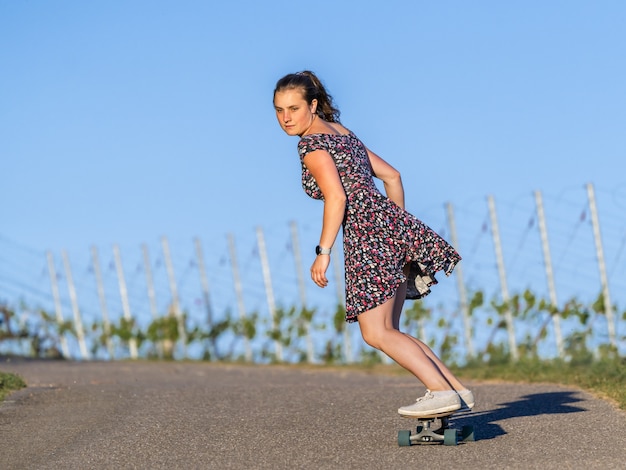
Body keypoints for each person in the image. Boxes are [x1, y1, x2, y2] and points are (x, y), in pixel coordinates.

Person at [272, 71, 474, 417]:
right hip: (389, 224)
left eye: (293, 108)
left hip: (366, 235)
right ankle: (456, 390)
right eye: (279, 110)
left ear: (313, 105)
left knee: (376, 333)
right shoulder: (344, 135)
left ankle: (441, 392)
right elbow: (392, 176)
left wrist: (323, 252)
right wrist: (397, 227)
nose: (286, 118)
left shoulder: (311, 145)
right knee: (389, 329)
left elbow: (336, 198)